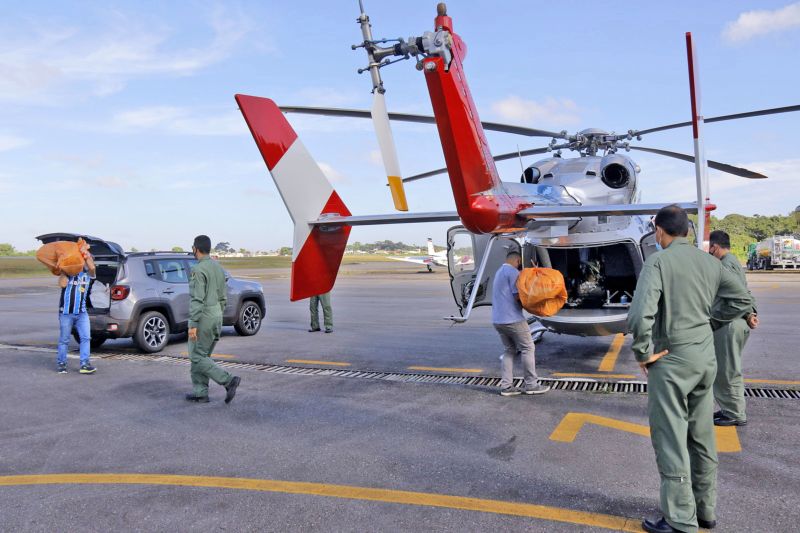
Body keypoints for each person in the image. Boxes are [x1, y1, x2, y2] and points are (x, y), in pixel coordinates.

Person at [628, 206, 753, 533]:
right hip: (704, 359)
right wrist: (710, 323)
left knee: (671, 438)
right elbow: (741, 301)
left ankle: (681, 519)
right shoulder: (711, 262)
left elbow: (640, 314)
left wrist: (643, 353)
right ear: (687, 231)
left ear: (659, 232)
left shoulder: (657, 262)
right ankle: (705, 510)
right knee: (701, 436)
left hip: (671, 360)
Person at [709, 230, 758, 427]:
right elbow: (744, 293)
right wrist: (751, 313)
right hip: (736, 321)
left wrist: (715, 320)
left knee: (727, 370)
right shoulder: (734, 262)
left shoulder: (725, 265)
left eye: (709, 248)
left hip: (728, 324)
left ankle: (735, 413)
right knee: (728, 368)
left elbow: (739, 297)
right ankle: (730, 409)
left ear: (714, 247)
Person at [185, 235, 241, 404]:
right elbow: (223, 297)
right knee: (203, 356)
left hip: (203, 319)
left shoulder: (198, 269)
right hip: (216, 316)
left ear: (196, 248)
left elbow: (198, 298)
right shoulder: (218, 267)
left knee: (196, 356)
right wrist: (217, 313)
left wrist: (193, 323)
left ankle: (228, 380)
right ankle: (200, 392)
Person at [492, 250, 549, 396]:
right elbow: (519, 296)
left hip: (498, 320)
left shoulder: (499, 272)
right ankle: (531, 385)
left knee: (509, 351)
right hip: (513, 319)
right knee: (528, 348)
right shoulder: (513, 273)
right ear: (518, 261)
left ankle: (507, 387)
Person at [56, 243, 96, 374]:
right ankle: (61, 364)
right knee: (64, 340)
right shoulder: (68, 273)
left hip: (82, 313)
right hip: (66, 313)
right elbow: (61, 284)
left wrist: (85, 253)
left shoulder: (88, 275)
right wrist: (63, 269)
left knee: (85, 338)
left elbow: (92, 267)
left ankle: (85, 364)